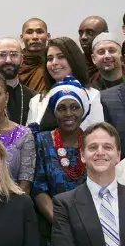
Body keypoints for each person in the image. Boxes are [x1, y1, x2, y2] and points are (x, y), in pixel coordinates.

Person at [32, 78, 91, 225]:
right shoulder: (41, 141)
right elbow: (39, 190)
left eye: (74, 107)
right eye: (61, 108)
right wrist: (62, 225)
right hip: (53, 227)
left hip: (90, 225)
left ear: (83, 110)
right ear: (54, 112)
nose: (68, 113)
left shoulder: (92, 142)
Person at [29, 37, 101, 131]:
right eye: (50, 59)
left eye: (61, 57)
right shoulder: (37, 100)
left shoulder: (93, 95)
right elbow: (29, 138)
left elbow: (97, 135)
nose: (54, 63)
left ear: (74, 59)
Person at [18, 18, 51, 93]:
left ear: (48, 36)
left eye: (40, 32)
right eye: (29, 32)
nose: (35, 37)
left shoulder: (55, 62)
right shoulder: (15, 63)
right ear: (21, 38)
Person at [78, 15, 109, 82]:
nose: (83, 37)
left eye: (90, 32)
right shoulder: (75, 64)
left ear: (105, 34)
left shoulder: (115, 62)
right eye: (80, 33)